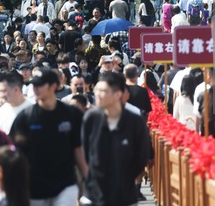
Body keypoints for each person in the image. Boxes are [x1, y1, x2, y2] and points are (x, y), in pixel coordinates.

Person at [10, 67, 87, 206]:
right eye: (34, 85)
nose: (36, 88)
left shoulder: (72, 114)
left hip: (65, 185)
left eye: (40, 84)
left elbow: (78, 149)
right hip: (34, 188)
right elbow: (16, 155)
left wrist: (89, 179)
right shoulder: (25, 118)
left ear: (53, 86)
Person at [81, 71, 151, 206]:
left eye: (103, 91)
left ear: (117, 94)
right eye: (97, 90)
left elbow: (141, 156)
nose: (97, 95)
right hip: (95, 192)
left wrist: (125, 177)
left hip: (124, 193)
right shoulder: (91, 119)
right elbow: (87, 153)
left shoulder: (135, 121)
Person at [0, 70, 33, 135]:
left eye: (4, 91)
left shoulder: (33, 108)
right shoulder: (0, 112)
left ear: (16, 90)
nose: (1, 95)